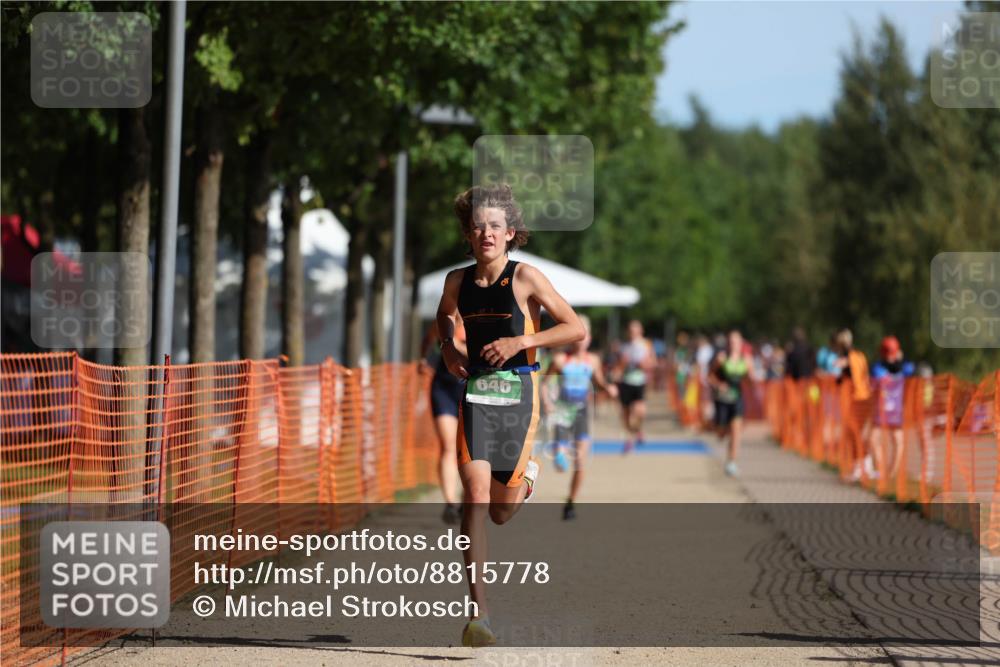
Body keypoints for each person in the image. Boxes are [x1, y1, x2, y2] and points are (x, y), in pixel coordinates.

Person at [436, 184, 585, 647]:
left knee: (502, 510)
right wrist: (447, 347)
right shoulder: (456, 283)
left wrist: (521, 342)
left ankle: (527, 480)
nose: (486, 233)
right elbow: (444, 316)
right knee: (476, 498)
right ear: (468, 232)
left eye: (495, 226)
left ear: (510, 233)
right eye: (478, 225)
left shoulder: (525, 279)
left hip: (520, 396)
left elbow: (574, 326)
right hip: (477, 394)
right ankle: (479, 614)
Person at [543, 315, 618, 520]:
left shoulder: (593, 361)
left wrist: (608, 388)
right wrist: (548, 402)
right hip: (562, 411)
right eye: (577, 335)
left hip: (582, 412)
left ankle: (570, 502)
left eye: (584, 336)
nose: (580, 340)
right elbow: (544, 383)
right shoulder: (559, 360)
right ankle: (559, 451)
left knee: (581, 462)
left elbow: (600, 382)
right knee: (560, 461)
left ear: (589, 338)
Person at [420, 320, 468, 524]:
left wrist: (453, 344)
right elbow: (429, 339)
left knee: (470, 449)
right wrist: (423, 359)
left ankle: (469, 500)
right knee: (448, 446)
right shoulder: (443, 322)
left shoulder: (481, 317)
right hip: (444, 387)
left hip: (472, 386)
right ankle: (450, 503)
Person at [870, 335, 914, 480]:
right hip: (880, 409)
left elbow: (911, 368)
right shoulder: (878, 367)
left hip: (896, 410)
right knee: (873, 439)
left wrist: (900, 360)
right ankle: (882, 470)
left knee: (897, 440)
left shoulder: (904, 366)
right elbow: (879, 374)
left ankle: (891, 474)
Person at [708, 329, 751, 476]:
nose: (733, 344)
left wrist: (750, 373)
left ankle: (731, 462)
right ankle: (721, 431)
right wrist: (719, 385)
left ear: (741, 343)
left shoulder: (745, 360)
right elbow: (710, 377)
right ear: (728, 344)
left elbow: (750, 382)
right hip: (722, 401)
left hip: (737, 400)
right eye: (731, 342)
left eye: (736, 341)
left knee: (736, 432)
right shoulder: (721, 359)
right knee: (721, 433)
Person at [833, 328, 872, 482]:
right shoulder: (860, 356)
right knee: (858, 433)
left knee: (854, 433)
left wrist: (840, 375)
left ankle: (860, 467)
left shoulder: (848, 358)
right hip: (865, 397)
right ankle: (865, 465)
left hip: (856, 399)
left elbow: (842, 372)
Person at [615, 320, 655, 453]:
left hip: (639, 382)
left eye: (635, 330)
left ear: (640, 331)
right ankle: (630, 438)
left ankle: (637, 431)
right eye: (630, 331)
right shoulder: (624, 346)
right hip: (626, 382)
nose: (632, 333)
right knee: (626, 415)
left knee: (640, 411)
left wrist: (644, 365)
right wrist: (622, 365)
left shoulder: (646, 345)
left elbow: (653, 362)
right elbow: (619, 366)